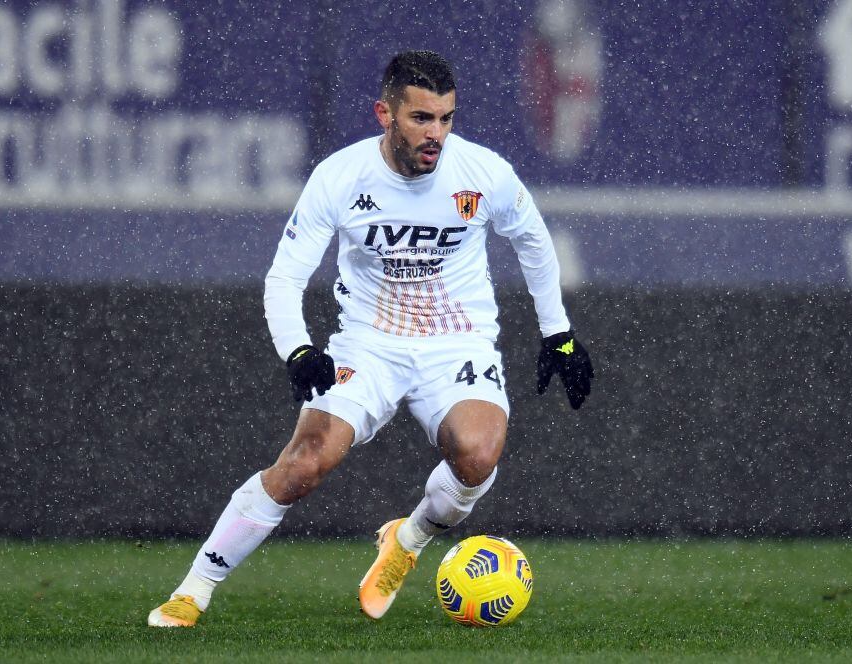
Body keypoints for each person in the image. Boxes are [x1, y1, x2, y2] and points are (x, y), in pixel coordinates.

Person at [148, 49, 593, 627]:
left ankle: (406, 541)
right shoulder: (340, 177)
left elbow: (533, 242)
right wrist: (299, 349)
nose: (437, 134)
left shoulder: (484, 174)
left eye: (446, 118)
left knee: (478, 454)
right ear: (385, 114)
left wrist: (558, 333)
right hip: (367, 343)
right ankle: (194, 590)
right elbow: (285, 274)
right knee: (305, 463)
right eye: (421, 119)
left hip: (455, 341)